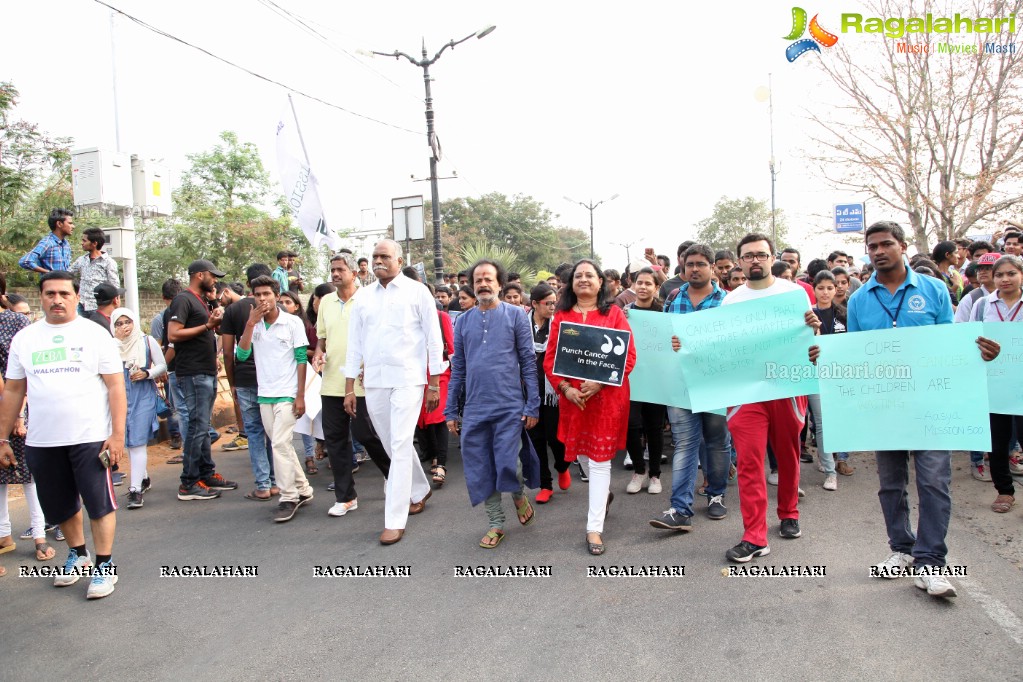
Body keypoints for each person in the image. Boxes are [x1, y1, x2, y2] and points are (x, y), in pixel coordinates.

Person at [811, 220, 1000, 599]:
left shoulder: (932, 289)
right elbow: (858, 356)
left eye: (885, 244)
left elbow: (951, 343)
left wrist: (979, 352)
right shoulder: (861, 300)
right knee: (891, 484)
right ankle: (900, 548)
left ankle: (930, 562)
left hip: (931, 405)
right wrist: (826, 358)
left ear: (902, 245)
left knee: (934, 481)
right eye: (872, 246)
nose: (878, 251)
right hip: (886, 408)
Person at [0, 271, 126, 598]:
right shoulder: (25, 339)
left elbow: (115, 386)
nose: (57, 300)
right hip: (43, 440)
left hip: (90, 437)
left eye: (64, 294)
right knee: (60, 505)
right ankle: (78, 553)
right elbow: (13, 390)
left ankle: (104, 566)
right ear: (41, 297)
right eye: (50, 294)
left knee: (98, 504)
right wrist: (2, 437)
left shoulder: (94, 334)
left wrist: (117, 435)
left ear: (76, 298)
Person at [722, 234, 819, 564]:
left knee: (788, 454)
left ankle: (789, 512)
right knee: (749, 462)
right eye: (748, 256)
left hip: (786, 389)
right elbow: (718, 346)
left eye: (761, 254)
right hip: (746, 393)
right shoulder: (731, 301)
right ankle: (754, 536)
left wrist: (814, 328)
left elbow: (810, 339)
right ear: (740, 261)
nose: (755, 260)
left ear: (771, 257)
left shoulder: (794, 294)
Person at [344, 240, 442, 545]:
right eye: (374, 257)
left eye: (384, 256)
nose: (378, 261)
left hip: (409, 380)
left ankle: (394, 519)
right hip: (374, 381)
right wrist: (349, 387)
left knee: (400, 443)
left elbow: (433, 338)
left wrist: (434, 382)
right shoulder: (363, 298)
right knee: (391, 443)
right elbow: (354, 345)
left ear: (399, 261)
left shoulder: (417, 292)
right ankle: (419, 488)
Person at [445, 260, 540, 548]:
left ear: (499, 283)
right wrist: (451, 409)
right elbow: (458, 368)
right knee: (480, 467)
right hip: (475, 408)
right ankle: (496, 522)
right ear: (472, 286)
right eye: (478, 280)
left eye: (489, 279)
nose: (483, 284)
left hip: (510, 405)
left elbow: (528, 362)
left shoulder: (515, 316)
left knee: (509, 463)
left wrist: (532, 405)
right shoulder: (462, 321)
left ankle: (519, 493)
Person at [543, 260, 636, 555]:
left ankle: (594, 528)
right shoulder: (561, 316)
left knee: (600, 461)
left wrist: (600, 384)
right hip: (574, 401)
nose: (584, 279)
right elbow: (550, 360)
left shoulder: (615, 314)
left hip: (607, 399)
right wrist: (566, 388)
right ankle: (603, 494)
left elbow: (628, 357)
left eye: (589, 275)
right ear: (571, 283)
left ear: (601, 282)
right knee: (585, 456)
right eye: (578, 276)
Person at [653, 245, 730, 532]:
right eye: (689, 264)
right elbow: (662, 339)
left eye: (700, 264)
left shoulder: (728, 301)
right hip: (680, 384)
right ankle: (680, 509)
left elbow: (736, 343)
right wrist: (670, 342)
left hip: (716, 385)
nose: (694, 269)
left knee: (717, 443)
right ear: (683, 268)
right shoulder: (674, 298)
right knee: (685, 444)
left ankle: (716, 496)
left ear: (712, 268)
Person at [314, 253, 389, 517]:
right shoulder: (325, 302)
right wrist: (318, 353)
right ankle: (346, 497)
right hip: (332, 381)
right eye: (332, 270)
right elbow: (321, 339)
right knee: (335, 441)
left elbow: (380, 337)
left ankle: (395, 477)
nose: (335, 274)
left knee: (367, 434)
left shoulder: (370, 298)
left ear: (354, 273)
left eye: (340, 269)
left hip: (362, 382)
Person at [236, 276, 313, 523]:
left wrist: (300, 396)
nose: (262, 299)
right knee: (282, 445)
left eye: (266, 294)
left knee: (279, 444)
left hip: (288, 393)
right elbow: (242, 353)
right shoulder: (254, 324)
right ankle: (303, 489)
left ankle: (288, 497)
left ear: (276, 296)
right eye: (257, 295)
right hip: (264, 394)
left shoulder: (292, 323)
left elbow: (302, 359)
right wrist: (250, 324)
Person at [167, 259, 236, 501]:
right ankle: (188, 483)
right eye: (212, 275)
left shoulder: (200, 300)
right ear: (199, 275)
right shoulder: (183, 300)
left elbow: (211, 329)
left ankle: (206, 473)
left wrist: (214, 312)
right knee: (197, 429)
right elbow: (173, 334)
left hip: (204, 371)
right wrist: (207, 324)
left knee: (202, 428)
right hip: (193, 373)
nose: (215, 279)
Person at [0, 275, 54, 569]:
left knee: (27, 472)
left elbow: (23, 375)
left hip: (15, 404)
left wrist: (19, 414)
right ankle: (3, 534)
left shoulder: (17, 324)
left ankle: (38, 534)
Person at [218, 264, 278, 500]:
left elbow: (226, 352)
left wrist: (232, 383)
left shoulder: (233, 311)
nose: (262, 297)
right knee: (273, 433)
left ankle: (263, 485)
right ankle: (274, 482)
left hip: (246, 379)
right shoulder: (279, 309)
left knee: (254, 432)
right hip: (270, 380)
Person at [970, 255, 1023, 514]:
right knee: (998, 440)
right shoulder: (982, 305)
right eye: (1000, 274)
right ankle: (1004, 491)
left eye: (1011, 273)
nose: (1005, 279)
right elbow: (968, 339)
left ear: (1021, 275)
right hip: (994, 382)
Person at [110, 308, 165, 509]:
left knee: (137, 442)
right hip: (119, 397)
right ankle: (143, 477)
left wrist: (147, 373)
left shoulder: (146, 341)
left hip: (143, 395)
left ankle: (135, 490)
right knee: (128, 440)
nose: (124, 327)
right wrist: (115, 341)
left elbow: (162, 365)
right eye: (118, 323)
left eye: (127, 322)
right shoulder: (109, 346)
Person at [805, 271, 851, 487]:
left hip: (839, 374)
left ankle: (835, 464)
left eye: (830, 288)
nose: (825, 292)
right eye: (821, 288)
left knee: (836, 420)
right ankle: (829, 470)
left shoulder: (843, 314)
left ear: (836, 290)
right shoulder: (807, 315)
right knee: (820, 422)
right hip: (812, 375)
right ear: (814, 289)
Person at [623, 268, 665, 494]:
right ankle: (639, 471)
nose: (643, 287)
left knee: (654, 427)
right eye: (639, 282)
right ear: (633, 284)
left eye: (649, 283)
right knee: (631, 425)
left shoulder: (664, 313)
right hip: (631, 379)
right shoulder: (624, 313)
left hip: (656, 379)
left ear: (656, 287)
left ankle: (655, 475)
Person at [527, 284, 569, 504]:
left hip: (553, 391)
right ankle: (545, 484)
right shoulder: (521, 326)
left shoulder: (559, 324)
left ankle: (562, 466)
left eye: (555, 302)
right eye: (548, 303)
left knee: (555, 438)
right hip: (528, 392)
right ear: (534, 304)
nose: (553, 307)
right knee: (536, 440)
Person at [151, 279, 184, 451]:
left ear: (163, 297)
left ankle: (178, 436)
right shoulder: (162, 318)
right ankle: (177, 435)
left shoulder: (160, 318)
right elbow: (158, 346)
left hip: (173, 366)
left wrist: (160, 366)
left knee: (176, 405)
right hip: (174, 366)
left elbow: (157, 346)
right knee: (177, 405)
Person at [70, 228, 119, 314]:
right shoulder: (81, 260)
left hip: (98, 306)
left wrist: (115, 305)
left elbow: (114, 285)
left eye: (84, 241)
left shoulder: (109, 262)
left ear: (94, 243)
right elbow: (68, 273)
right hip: (82, 305)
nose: (82, 243)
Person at [18, 209, 74, 275]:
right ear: (59, 224)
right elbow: (25, 261)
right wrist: (49, 273)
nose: (73, 226)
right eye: (70, 223)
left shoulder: (66, 244)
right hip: (50, 284)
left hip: (65, 284)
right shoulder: (47, 243)